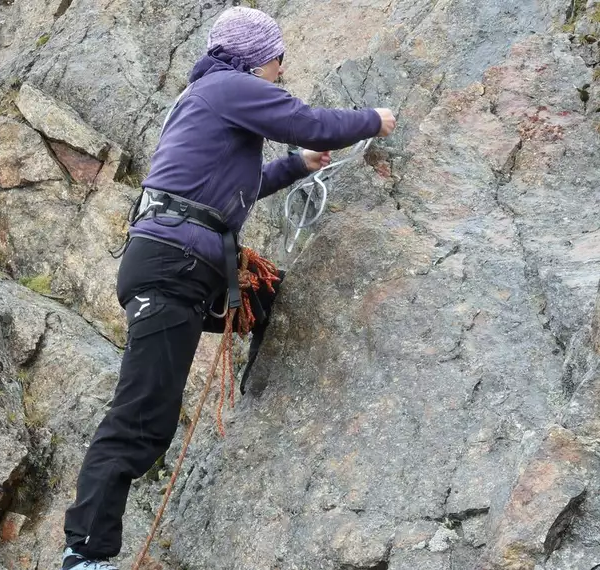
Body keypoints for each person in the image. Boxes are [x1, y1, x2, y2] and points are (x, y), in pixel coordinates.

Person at [61, 6, 396, 569]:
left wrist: (296, 167)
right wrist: (374, 119)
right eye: (277, 58)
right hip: (174, 269)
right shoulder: (227, 86)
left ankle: (273, 391)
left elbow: (234, 187)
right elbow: (308, 120)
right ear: (256, 58)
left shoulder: (207, 100)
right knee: (142, 417)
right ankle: (85, 556)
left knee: (274, 303)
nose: (282, 68)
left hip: (181, 264)